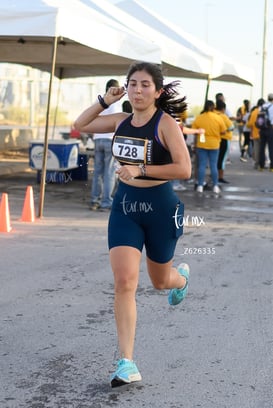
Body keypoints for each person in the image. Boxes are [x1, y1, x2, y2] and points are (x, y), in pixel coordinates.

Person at [74, 61, 192, 387]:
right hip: (125, 206)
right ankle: (126, 362)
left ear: (157, 91)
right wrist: (104, 100)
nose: (137, 90)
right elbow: (79, 124)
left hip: (160, 208)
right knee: (125, 281)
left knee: (159, 281)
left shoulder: (165, 124)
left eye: (144, 85)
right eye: (132, 84)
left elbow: (184, 169)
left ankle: (179, 281)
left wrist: (141, 171)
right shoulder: (120, 120)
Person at [89, 79, 121, 211]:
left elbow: (89, 117)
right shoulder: (115, 103)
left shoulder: (98, 101)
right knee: (109, 172)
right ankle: (106, 202)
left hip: (98, 139)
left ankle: (95, 200)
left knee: (97, 172)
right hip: (110, 139)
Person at [191, 100, 226, 194]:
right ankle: (215, 186)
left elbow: (194, 130)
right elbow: (223, 131)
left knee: (202, 165)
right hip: (214, 144)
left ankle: (200, 186)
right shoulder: (218, 118)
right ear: (213, 107)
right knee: (213, 165)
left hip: (202, 144)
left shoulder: (199, 118)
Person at [215, 100, 234, 183]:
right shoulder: (223, 116)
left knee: (215, 159)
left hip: (216, 139)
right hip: (224, 139)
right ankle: (220, 177)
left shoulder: (213, 115)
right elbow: (231, 127)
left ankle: (215, 176)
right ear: (223, 109)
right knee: (222, 159)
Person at [246, 98, 265, 169]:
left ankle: (257, 163)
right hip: (264, 133)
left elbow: (249, 124)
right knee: (263, 149)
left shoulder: (254, 112)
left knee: (256, 149)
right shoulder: (264, 111)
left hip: (255, 133)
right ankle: (262, 163)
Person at [258, 93, 273, 171]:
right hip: (270, 129)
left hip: (262, 129)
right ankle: (271, 167)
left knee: (262, 148)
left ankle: (261, 166)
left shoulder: (262, 106)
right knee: (271, 148)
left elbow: (259, 119)